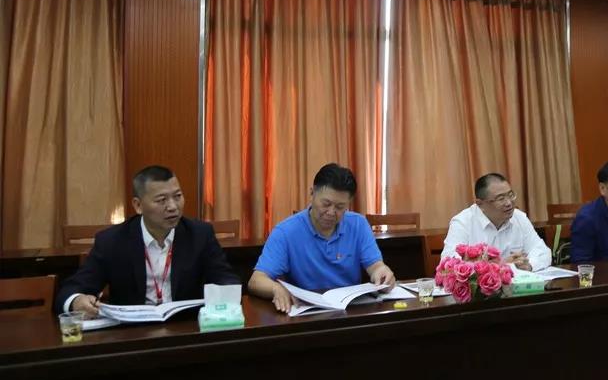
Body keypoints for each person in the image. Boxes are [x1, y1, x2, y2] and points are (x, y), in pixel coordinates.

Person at [54, 165, 239, 316]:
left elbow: (225, 278)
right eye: (161, 200)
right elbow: (70, 290)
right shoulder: (112, 241)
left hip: (185, 328)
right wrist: (76, 301)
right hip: (133, 334)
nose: (173, 207)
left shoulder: (200, 234)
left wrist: (226, 293)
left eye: (177, 196)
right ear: (138, 205)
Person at [249, 163, 395, 313]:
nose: (331, 212)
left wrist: (382, 273)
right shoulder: (285, 232)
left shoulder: (358, 225)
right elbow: (256, 280)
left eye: (340, 207)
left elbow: (376, 266)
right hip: (306, 313)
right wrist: (276, 288)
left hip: (349, 312)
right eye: (326, 204)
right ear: (312, 193)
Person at [442, 173, 551, 271]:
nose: (509, 203)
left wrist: (529, 265)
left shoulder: (519, 218)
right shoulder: (462, 223)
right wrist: (501, 265)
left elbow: (542, 252)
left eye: (511, 195)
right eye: (501, 198)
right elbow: (449, 264)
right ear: (480, 204)